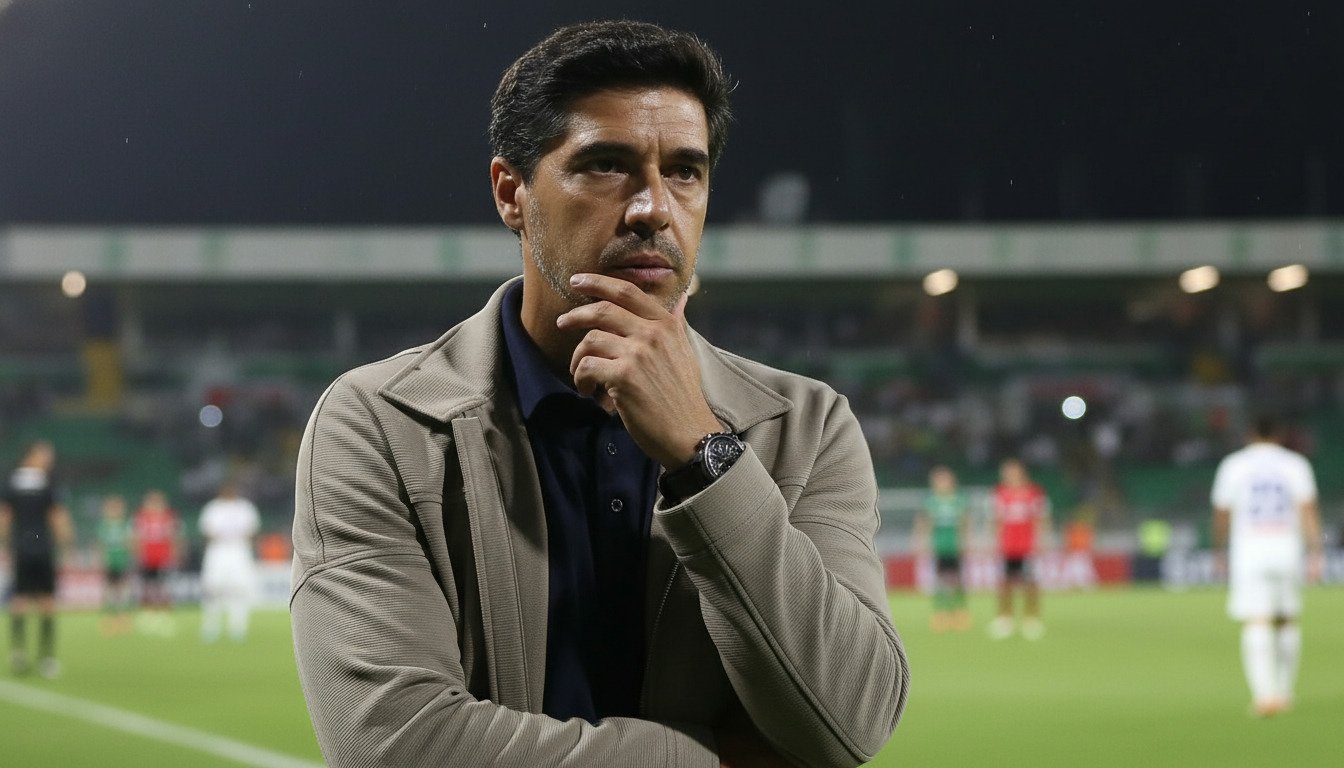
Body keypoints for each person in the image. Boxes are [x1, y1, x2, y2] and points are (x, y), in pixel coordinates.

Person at [290, 20, 907, 768]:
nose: (654, 207)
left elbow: (851, 721)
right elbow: (396, 745)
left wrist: (704, 455)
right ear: (511, 193)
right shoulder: (379, 424)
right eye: (606, 165)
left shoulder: (808, 426)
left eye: (685, 171)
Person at [1211, 415, 1323, 717]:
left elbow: (1222, 512)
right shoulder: (1295, 464)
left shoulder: (1234, 465)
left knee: (1257, 620)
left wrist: (1218, 549)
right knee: (1286, 619)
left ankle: (1264, 696)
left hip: (1250, 550)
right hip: (1287, 547)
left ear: (1250, 434)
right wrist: (1316, 552)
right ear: (1280, 434)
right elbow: (1308, 510)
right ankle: (1285, 693)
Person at [0, 441, 73, 678]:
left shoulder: (12, 481)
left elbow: (5, 516)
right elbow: (57, 516)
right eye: (45, 455)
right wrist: (66, 544)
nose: (49, 460)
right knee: (47, 602)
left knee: (19, 600)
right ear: (31, 455)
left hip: (21, 547)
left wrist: (4, 543)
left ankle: (18, 654)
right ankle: (46, 658)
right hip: (42, 547)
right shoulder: (48, 483)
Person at [988, 457, 1052, 640]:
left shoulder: (1034, 493)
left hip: (1028, 546)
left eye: (1012, 472)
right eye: (1006, 472)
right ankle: (1005, 618)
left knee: (1031, 583)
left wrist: (1043, 541)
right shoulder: (1000, 493)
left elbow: (1042, 519)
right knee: (1005, 583)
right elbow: (996, 520)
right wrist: (993, 542)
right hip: (1007, 546)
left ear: (1021, 473)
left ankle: (1031, 619)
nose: (1009, 475)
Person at [197, 481, 261, 643]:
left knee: (239, 588)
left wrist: (237, 535)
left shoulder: (245, 507)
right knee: (213, 588)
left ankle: (237, 627)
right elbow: (207, 531)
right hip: (218, 549)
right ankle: (211, 627)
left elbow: (252, 530)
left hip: (238, 549)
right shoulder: (213, 508)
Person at [914, 465, 972, 631]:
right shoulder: (931, 502)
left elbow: (965, 523)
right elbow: (924, 523)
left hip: (955, 546)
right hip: (938, 546)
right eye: (939, 481)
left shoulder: (959, 500)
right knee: (939, 580)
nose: (942, 484)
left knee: (957, 580)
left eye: (945, 480)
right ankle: (941, 613)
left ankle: (959, 612)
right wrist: (920, 542)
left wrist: (966, 542)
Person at [133, 489, 180, 636]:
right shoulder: (142, 517)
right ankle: (148, 612)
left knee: (163, 584)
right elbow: (136, 537)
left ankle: (164, 612)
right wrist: (138, 553)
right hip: (148, 556)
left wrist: (174, 553)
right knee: (148, 584)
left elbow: (174, 536)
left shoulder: (169, 516)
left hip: (163, 556)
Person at [96, 494, 135, 636]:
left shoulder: (125, 525)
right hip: (110, 561)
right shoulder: (104, 526)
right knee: (110, 587)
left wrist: (131, 555)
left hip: (122, 560)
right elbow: (100, 545)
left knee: (122, 587)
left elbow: (130, 542)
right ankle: (111, 614)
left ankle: (122, 614)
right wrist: (101, 559)